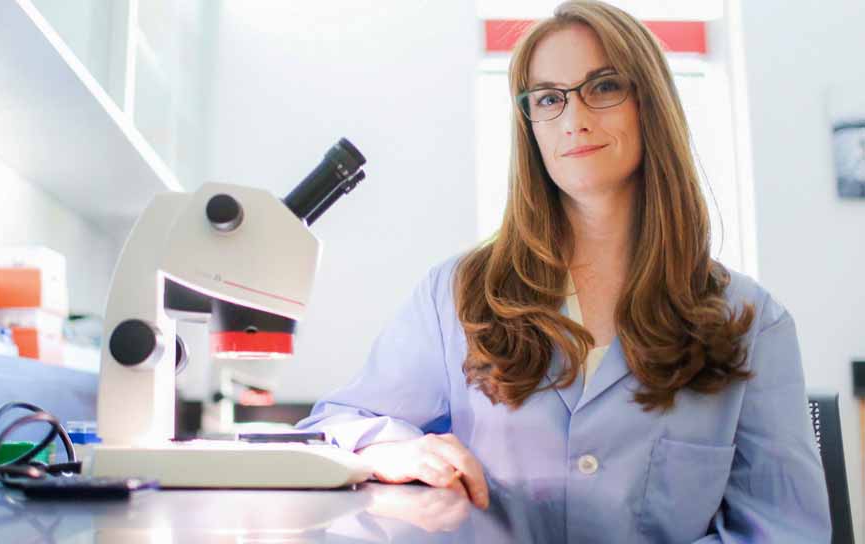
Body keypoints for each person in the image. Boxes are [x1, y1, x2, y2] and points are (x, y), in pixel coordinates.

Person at [297, 1, 831, 541]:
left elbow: (784, 530)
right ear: (530, 125)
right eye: (549, 98)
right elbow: (334, 424)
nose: (574, 118)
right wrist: (391, 448)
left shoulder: (751, 321)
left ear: (651, 103)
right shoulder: (457, 294)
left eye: (603, 87)